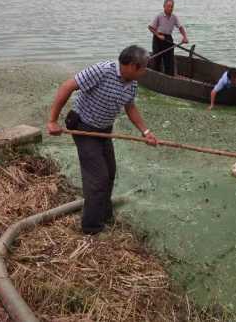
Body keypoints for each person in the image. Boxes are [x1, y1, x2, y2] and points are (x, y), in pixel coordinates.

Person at [46, 45, 158, 235]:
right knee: (98, 178)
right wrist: (52, 121)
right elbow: (67, 86)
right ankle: (91, 228)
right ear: (132, 65)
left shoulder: (132, 82)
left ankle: (105, 215)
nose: (145, 71)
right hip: (83, 127)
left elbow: (130, 107)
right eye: (144, 67)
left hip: (104, 131)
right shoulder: (102, 71)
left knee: (110, 173)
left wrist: (145, 131)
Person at [148, 0, 189, 75]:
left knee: (169, 59)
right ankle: (156, 76)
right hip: (158, 38)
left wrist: (185, 37)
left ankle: (169, 76)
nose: (170, 8)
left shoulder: (174, 17)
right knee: (157, 58)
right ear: (164, 6)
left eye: (172, 7)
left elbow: (180, 27)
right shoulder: (159, 16)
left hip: (168, 38)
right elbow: (150, 27)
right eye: (168, 6)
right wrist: (158, 35)